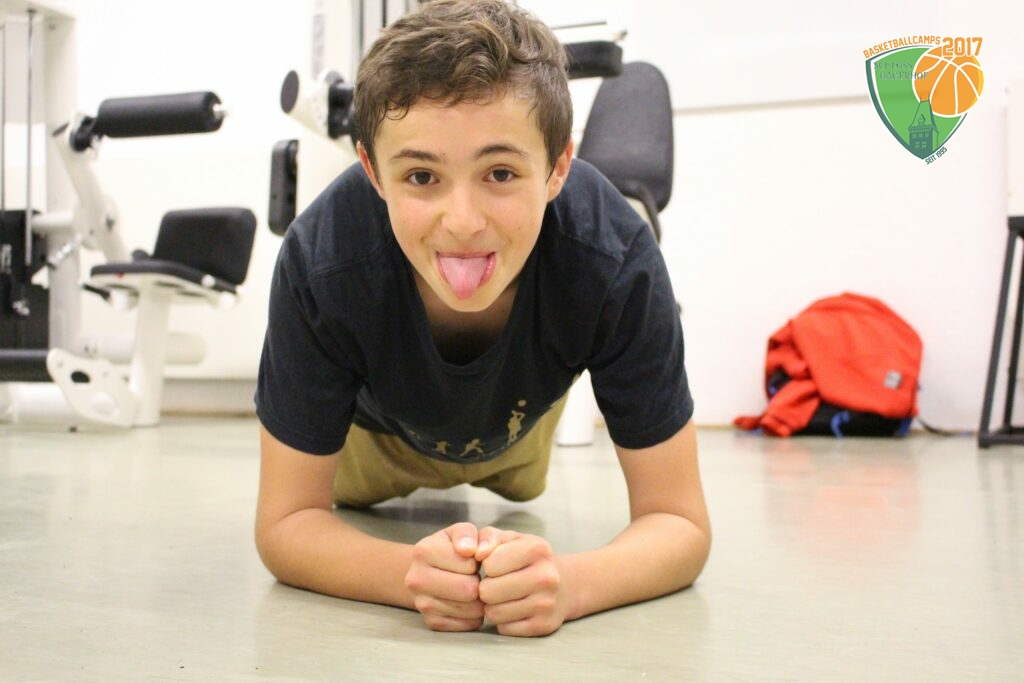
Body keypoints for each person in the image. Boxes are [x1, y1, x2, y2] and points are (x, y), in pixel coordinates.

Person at [254, 0, 710, 638]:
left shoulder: (614, 258)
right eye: (421, 176)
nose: (463, 222)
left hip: (518, 440)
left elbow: (681, 523)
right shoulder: (321, 261)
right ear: (373, 173)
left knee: (522, 482)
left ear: (557, 168)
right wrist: (409, 575)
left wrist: (572, 585)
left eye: (500, 172)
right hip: (373, 448)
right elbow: (285, 525)